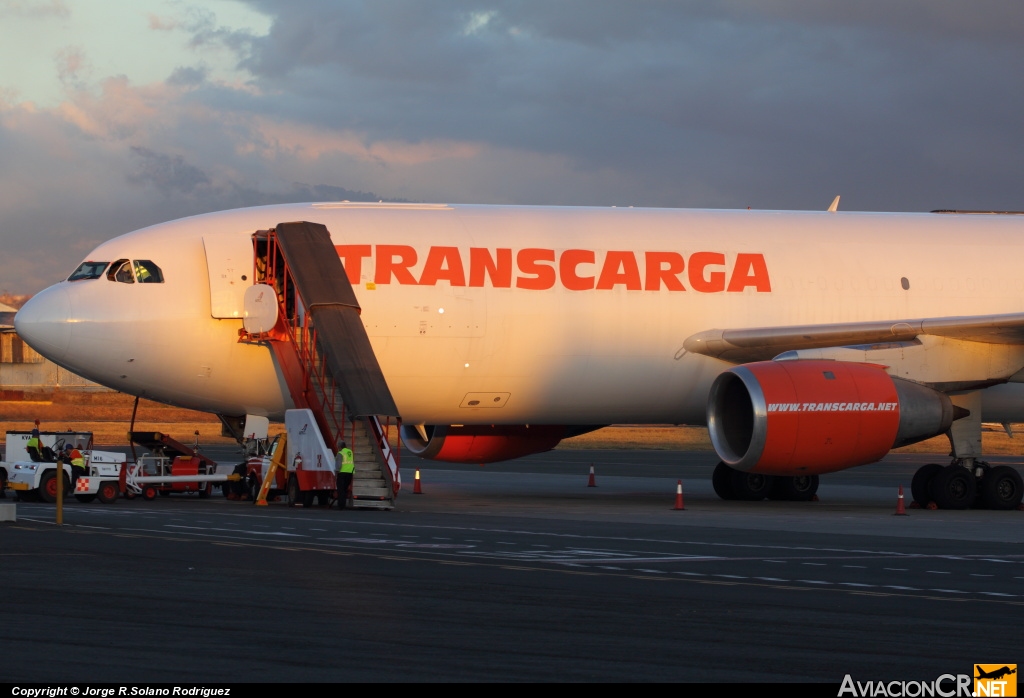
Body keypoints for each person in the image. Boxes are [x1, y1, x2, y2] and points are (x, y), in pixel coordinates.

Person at [335, 441, 354, 510]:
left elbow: (339, 464)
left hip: (342, 473)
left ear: (340, 447)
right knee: (345, 489)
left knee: (341, 490)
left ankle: (341, 505)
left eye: (338, 447)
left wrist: (336, 472)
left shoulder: (340, 453)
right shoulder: (350, 452)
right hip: (350, 473)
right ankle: (343, 504)